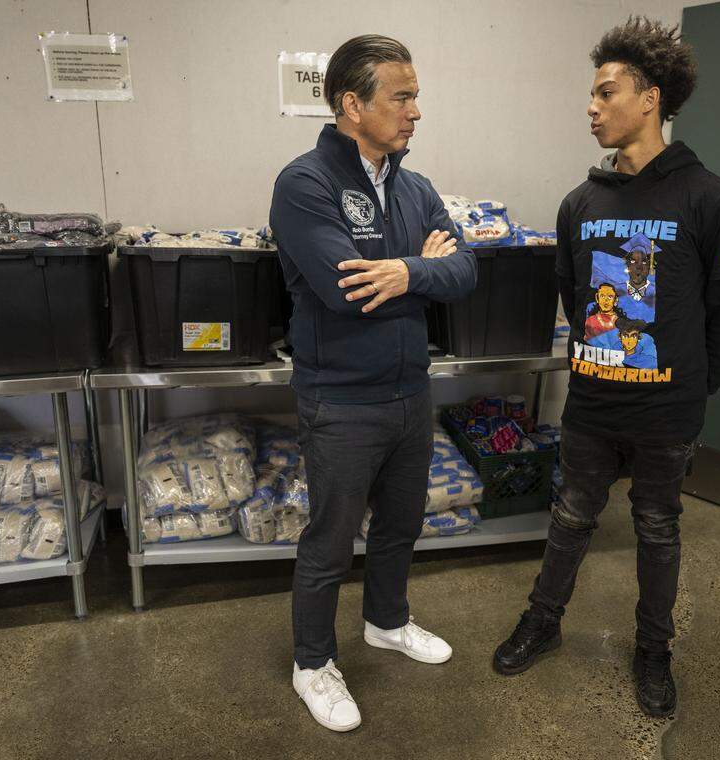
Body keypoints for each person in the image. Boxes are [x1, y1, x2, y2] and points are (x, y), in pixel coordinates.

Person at [492, 17, 720, 719]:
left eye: (607, 92)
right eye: (592, 94)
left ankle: (653, 650)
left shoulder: (709, 197)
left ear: (651, 98)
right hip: (594, 405)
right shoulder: (580, 204)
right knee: (572, 516)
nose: (591, 106)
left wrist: (696, 386)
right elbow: (576, 300)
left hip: (668, 409)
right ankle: (542, 622)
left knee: (657, 528)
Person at [269, 34, 477, 733]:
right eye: (402, 96)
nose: (416, 111)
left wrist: (406, 272)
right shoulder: (305, 184)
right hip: (341, 399)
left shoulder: (416, 188)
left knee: (400, 525)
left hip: (410, 393)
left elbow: (466, 273)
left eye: (415, 95)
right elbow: (343, 289)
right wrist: (419, 269)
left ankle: (387, 622)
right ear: (351, 104)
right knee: (330, 542)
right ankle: (312, 663)